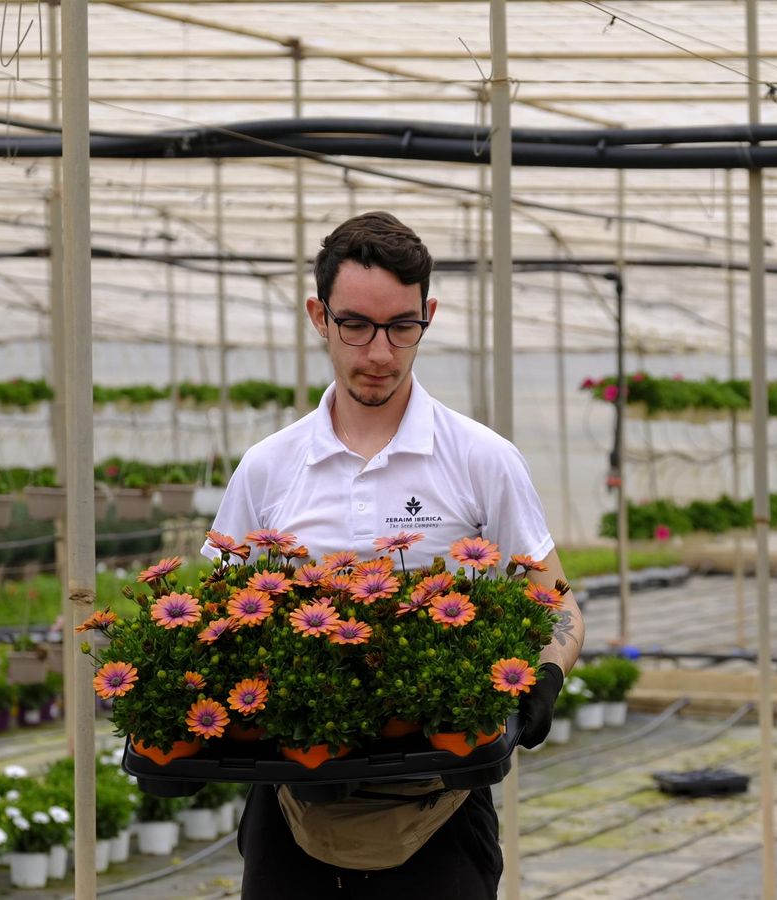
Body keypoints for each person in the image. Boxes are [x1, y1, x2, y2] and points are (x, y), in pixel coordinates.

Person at [202, 210, 585, 898]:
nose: (379, 352)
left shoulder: (481, 458)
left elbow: (555, 600)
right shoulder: (269, 467)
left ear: (427, 316)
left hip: (441, 796)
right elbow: (216, 614)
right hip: (292, 798)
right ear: (319, 317)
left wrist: (547, 673)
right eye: (355, 325)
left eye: (401, 326)